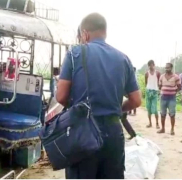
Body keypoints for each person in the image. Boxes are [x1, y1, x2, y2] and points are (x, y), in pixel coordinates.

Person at [56, 13, 141, 179]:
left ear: (85, 34)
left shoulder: (74, 54)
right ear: (104, 32)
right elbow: (136, 100)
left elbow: (60, 96)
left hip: (83, 132)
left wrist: (77, 108)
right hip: (113, 133)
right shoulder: (123, 59)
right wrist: (117, 108)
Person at [158, 63, 181, 135]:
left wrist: (174, 92)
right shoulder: (162, 76)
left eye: (168, 68)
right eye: (166, 67)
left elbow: (179, 86)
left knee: (172, 114)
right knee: (162, 114)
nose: (166, 69)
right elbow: (159, 86)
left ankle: (172, 129)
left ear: (171, 68)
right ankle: (163, 129)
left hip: (172, 98)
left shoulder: (176, 77)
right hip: (163, 97)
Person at [145, 60, 161, 128]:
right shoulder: (146, 73)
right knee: (148, 108)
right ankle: (150, 123)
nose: (150, 66)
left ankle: (157, 123)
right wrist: (147, 90)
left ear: (154, 65)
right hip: (148, 91)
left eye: (151, 65)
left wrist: (159, 90)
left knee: (154, 109)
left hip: (155, 91)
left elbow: (160, 82)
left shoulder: (157, 73)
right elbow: (146, 83)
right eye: (149, 65)